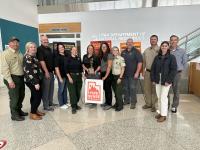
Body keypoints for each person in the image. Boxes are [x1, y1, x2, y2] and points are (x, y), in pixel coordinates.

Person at [1, 37, 28, 121]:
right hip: (12, 78)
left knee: (21, 95)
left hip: (20, 77)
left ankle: (19, 110)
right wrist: (10, 81)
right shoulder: (5, 54)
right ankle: (14, 115)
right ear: (9, 43)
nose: (16, 44)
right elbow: (4, 68)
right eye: (13, 42)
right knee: (14, 97)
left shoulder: (19, 53)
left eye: (17, 42)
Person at [151, 41, 177, 122]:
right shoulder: (157, 57)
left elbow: (173, 70)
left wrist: (169, 81)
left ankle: (164, 115)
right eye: (163, 46)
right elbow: (153, 69)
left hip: (166, 80)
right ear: (161, 47)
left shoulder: (172, 57)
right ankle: (160, 112)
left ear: (168, 47)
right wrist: (153, 79)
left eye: (166, 46)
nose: (164, 47)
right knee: (159, 97)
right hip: (157, 79)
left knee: (163, 97)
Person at [23, 42, 45, 120]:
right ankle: (32, 113)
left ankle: (35, 110)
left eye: (34, 47)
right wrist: (36, 83)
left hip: (37, 80)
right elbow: (29, 71)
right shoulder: (28, 57)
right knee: (37, 97)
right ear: (28, 49)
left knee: (34, 96)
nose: (33, 48)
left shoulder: (33, 57)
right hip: (33, 81)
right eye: (31, 47)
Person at [37, 35, 57, 111]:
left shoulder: (49, 49)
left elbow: (51, 60)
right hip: (46, 73)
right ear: (41, 41)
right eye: (44, 40)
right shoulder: (39, 49)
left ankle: (50, 102)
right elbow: (41, 61)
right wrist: (46, 72)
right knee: (46, 89)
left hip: (51, 72)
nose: (46, 41)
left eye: (46, 40)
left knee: (51, 88)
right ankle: (46, 106)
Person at [121, 38, 143, 109]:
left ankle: (133, 102)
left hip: (133, 74)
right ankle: (127, 100)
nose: (129, 44)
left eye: (131, 42)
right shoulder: (123, 52)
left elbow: (140, 62)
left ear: (133, 43)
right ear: (126, 44)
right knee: (125, 88)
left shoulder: (136, 51)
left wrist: (137, 72)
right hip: (124, 74)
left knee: (132, 88)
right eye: (128, 42)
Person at [169, 35, 188, 113]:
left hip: (177, 73)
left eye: (175, 40)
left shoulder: (182, 51)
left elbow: (184, 63)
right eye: (172, 40)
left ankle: (174, 106)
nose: (173, 41)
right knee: (165, 91)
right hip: (168, 73)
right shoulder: (167, 50)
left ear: (178, 41)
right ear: (170, 41)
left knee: (176, 91)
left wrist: (181, 73)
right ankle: (166, 105)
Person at [142, 35, 159, 112]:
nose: (153, 40)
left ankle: (154, 105)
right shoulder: (146, 51)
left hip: (156, 73)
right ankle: (148, 103)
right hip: (148, 72)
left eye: (154, 39)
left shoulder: (160, 50)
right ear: (150, 40)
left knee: (155, 89)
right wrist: (143, 71)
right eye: (151, 39)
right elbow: (144, 62)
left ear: (157, 40)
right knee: (147, 88)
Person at [65, 47, 83, 114]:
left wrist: (83, 75)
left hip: (79, 77)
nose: (75, 51)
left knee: (78, 91)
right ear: (71, 51)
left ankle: (76, 104)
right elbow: (66, 69)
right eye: (73, 50)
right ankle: (73, 107)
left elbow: (81, 68)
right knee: (72, 92)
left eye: (76, 50)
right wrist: (69, 77)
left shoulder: (78, 58)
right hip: (71, 76)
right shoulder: (68, 59)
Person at [54, 43, 70, 109]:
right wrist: (59, 77)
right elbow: (56, 68)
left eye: (62, 47)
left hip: (66, 75)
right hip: (61, 76)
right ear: (58, 49)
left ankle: (65, 102)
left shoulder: (66, 55)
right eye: (59, 48)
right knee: (61, 89)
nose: (61, 48)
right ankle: (61, 104)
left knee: (65, 89)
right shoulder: (57, 57)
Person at [99, 42, 113, 110]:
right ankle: (106, 102)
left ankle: (109, 104)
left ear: (107, 47)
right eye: (102, 47)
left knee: (108, 89)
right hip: (103, 73)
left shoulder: (109, 55)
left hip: (108, 74)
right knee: (105, 88)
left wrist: (105, 76)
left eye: (105, 46)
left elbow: (109, 66)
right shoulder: (102, 55)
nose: (103, 48)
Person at [111, 46, 126, 111]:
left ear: (118, 51)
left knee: (118, 92)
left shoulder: (121, 58)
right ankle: (117, 103)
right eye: (113, 50)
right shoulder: (111, 59)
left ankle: (120, 106)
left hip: (119, 77)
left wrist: (120, 77)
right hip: (113, 77)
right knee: (115, 92)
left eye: (116, 50)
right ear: (112, 51)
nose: (115, 51)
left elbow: (123, 68)